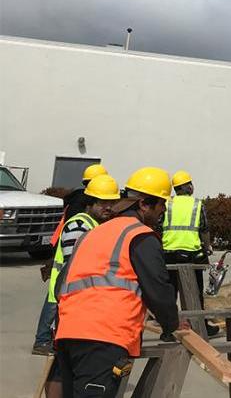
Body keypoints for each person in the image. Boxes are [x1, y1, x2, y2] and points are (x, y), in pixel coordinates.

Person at [54, 167, 183, 398]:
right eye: (161, 204)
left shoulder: (93, 234)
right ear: (144, 204)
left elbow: (60, 286)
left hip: (68, 334)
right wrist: (172, 324)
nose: (163, 210)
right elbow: (159, 290)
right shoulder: (140, 236)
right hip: (104, 338)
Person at [38, 174, 120, 397]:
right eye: (103, 203)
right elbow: (77, 266)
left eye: (112, 203)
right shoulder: (79, 225)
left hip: (78, 301)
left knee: (66, 364)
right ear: (90, 202)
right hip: (68, 300)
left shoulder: (95, 225)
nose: (108, 208)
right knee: (60, 365)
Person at [34, 162, 109, 355]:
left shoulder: (77, 201)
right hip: (66, 271)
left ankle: (47, 339)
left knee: (53, 304)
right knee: (53, 305)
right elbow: (74, 241)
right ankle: (43, 340)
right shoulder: (81, 209)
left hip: (62, 259)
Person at [162, 170, 218, 337]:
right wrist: (207, 247)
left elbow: (158, 226)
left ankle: (168, 330)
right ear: (188, 187)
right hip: (192, 254)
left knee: (170, 293)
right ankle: (200, 326)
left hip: (168, 253)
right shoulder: (197, 204)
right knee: (195, 292)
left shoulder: (167, 204)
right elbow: (204, 229)